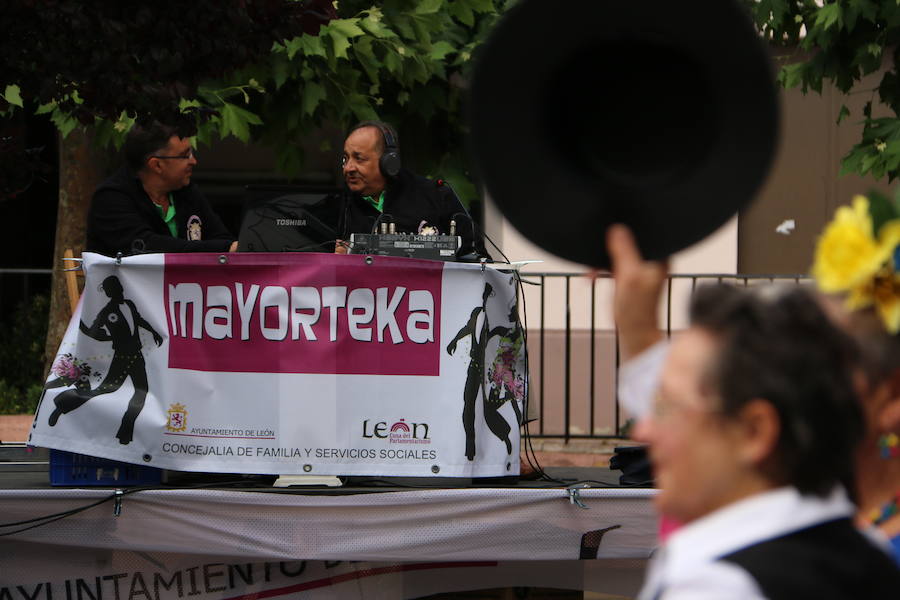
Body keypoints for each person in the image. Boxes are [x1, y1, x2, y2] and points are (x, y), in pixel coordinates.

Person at [607, 225, 900, 598]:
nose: (642, 431)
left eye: (666, 407)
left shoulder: (720, 586)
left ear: (755, 432)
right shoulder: (866, 553)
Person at [334, 120, 485, 258]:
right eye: (345, 159)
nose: (348, 168)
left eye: (359, 158)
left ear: (389, 162)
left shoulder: (436, 195)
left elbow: (478, 259)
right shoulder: (337, 207)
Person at [86, 122, 237, 256]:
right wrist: (222, 248)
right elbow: (145, 248)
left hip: (188, 287)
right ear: (156, 165)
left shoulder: (186, 191)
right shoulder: (110, 198)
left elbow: (222, 238)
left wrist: (225, 247)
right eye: (185, 155)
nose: (193, 161)